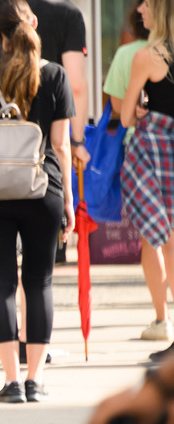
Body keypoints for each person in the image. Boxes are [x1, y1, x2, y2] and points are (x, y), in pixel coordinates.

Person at [0, 0, 75, 404]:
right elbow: (60, 146)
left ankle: (10, 382)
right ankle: (35, 380)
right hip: (44, 191)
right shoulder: (55, 75)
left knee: (2, 280)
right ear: (33, 25)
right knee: (39, 281)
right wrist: (70, 202)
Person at [106, 0, 172, 344]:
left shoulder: (146, 56)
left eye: (147, 3)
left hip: (155, 157)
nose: (140, 9)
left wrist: (145, 110)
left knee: (160, 238)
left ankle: (164, 320)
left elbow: (127, 116)